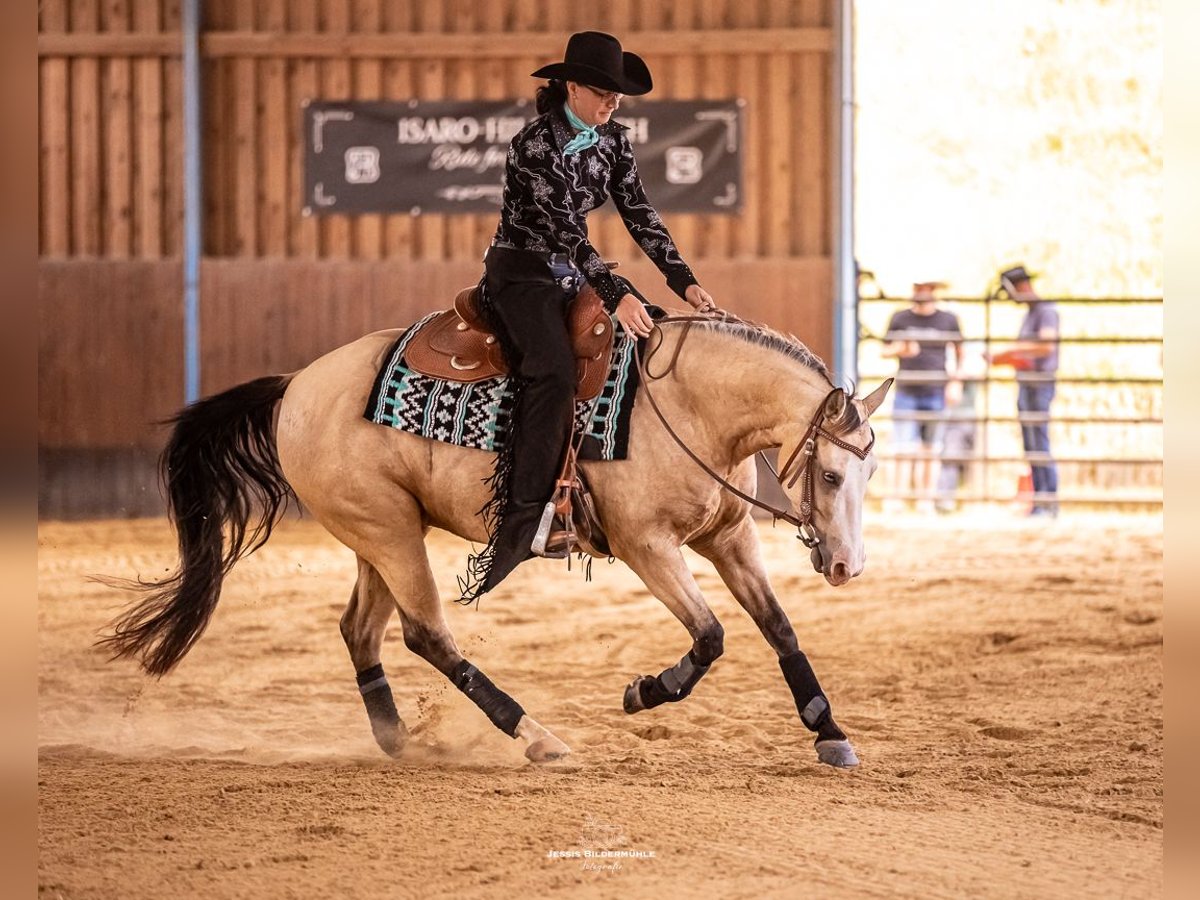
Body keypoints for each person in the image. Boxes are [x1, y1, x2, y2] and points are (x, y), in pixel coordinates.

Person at [463, 31, 718, 600]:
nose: (612, 105)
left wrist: (684, 280)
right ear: (572, 88)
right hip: (522, 276)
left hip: (574, 276)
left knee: (648, 344)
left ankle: (617, 492)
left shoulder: (613, 140)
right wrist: (616, 291)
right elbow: (564, 231)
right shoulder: (533, 146)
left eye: (617, 97)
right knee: (550, 371)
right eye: (603, 94)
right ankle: (524, 516)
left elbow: (640, 213)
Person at [881, 281, 964, 511]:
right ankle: (895, 498)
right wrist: (901, 349)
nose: (920, 291)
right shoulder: (900, 318)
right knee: (901, 447)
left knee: (931, 448)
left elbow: (960, 352)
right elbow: (884, 349)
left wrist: (955, 383)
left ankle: (925, 500)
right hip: (907, 389)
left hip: (935, 390)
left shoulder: (948, 319)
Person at [989, 265, 1060, 517]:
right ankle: (1040, 501)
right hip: (1028, 383)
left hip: (1039, 383)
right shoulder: (1032, 314)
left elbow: (1045, 347)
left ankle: (1048, 501)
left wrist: (1007, 355)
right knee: (1032, 443)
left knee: (1039, 441)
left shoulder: (1045, 312)